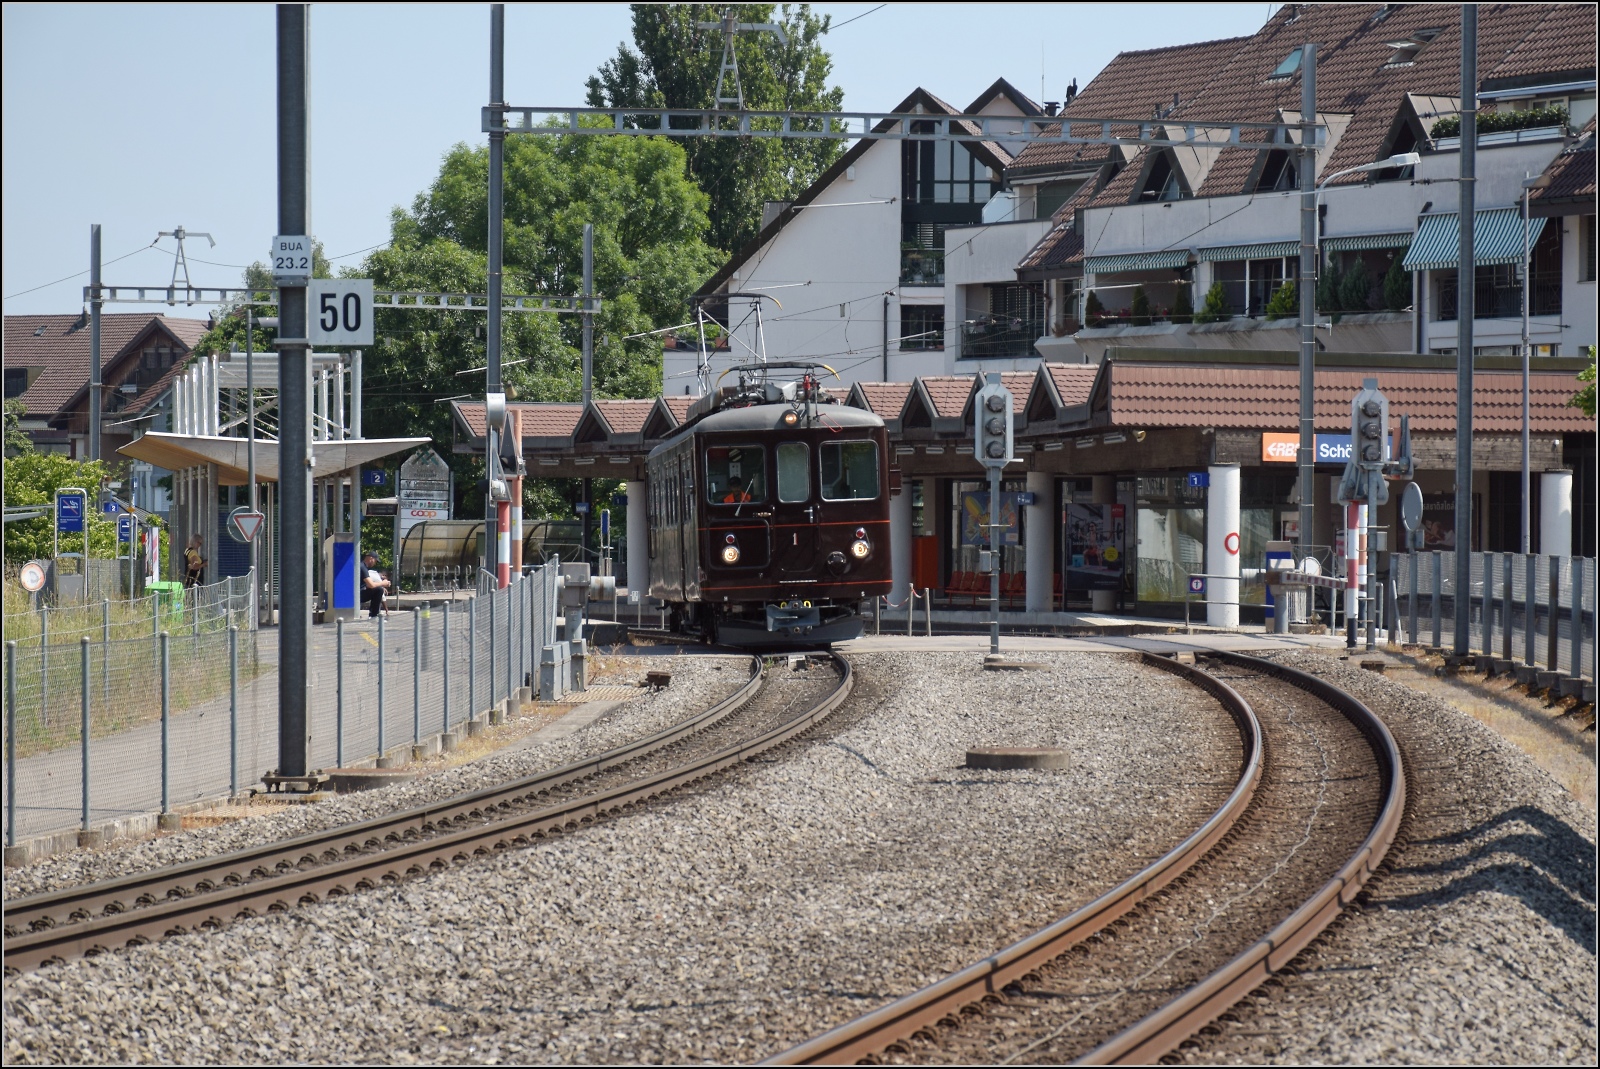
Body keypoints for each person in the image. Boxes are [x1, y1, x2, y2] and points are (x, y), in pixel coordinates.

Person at [361, 552, 391, 617]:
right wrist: (383, 583)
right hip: (357, 595)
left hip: (356, 593)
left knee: (378, 589)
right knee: (379, 590)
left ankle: (373, 614)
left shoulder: (361, 566)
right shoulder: (363, 567)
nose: (375, 563)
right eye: (375, 561)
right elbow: (371, 585)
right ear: (371, 558)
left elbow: (365, 585)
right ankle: (373, 615)